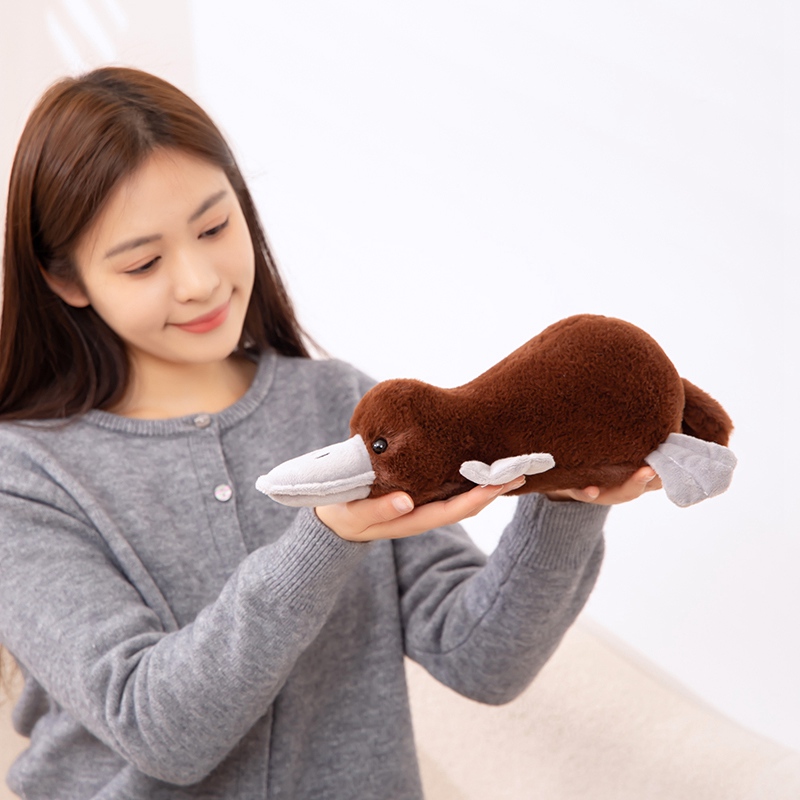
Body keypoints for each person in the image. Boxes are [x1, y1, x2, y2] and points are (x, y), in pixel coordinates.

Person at [0, 67, 659, 799]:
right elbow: (159, 731)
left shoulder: (342, 407)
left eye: (215, 228)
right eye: (143, 262)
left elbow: (482, 660)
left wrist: (564, 496)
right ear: (65, 280)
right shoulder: (23, 476)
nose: (199, 281)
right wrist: (326, 538)